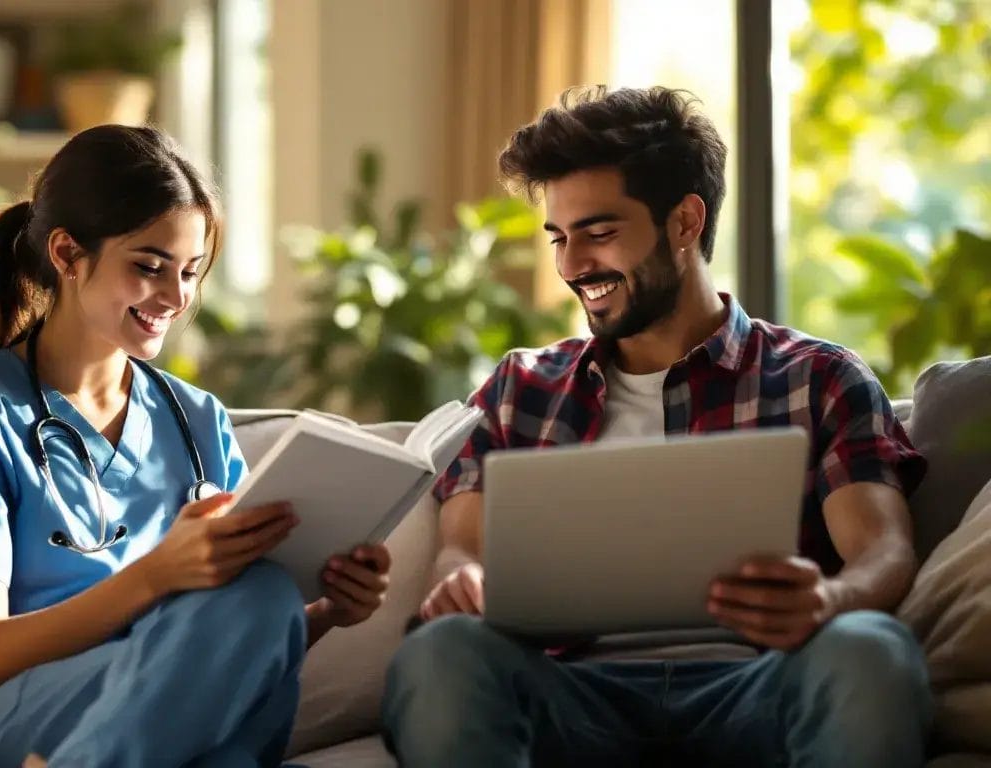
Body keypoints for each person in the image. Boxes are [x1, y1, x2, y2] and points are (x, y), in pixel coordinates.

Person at [381, 86, 932, 767]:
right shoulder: (518, 390)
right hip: (570, 694)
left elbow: (884, 551)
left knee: (871, 651)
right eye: (560, 237)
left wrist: (827, 599)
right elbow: (462, 549)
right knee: (440, 655)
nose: (572, 266)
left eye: (600, 233)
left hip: (760, 686)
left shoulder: (818, 378)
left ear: (684, 222)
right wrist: (463, 579)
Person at [0, 124, 392, 768]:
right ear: (68, 255)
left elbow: (228, 648)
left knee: (263, 597)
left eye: (189, 271)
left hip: (155, 707)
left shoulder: (197, 420)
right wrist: (155, 577)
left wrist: (330, 611)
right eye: (149, 267)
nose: (176, 299)